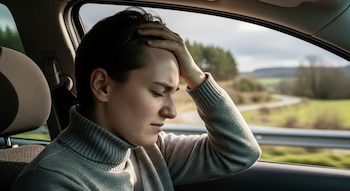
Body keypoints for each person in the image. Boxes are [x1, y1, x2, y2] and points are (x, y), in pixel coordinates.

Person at [12, 7, 261, 190]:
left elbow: (240, 152)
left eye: (172, 92)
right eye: (157, 91)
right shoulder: (51, 182)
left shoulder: (152, 151)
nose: (171, 112)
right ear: (102, 86)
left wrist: (196, 75)